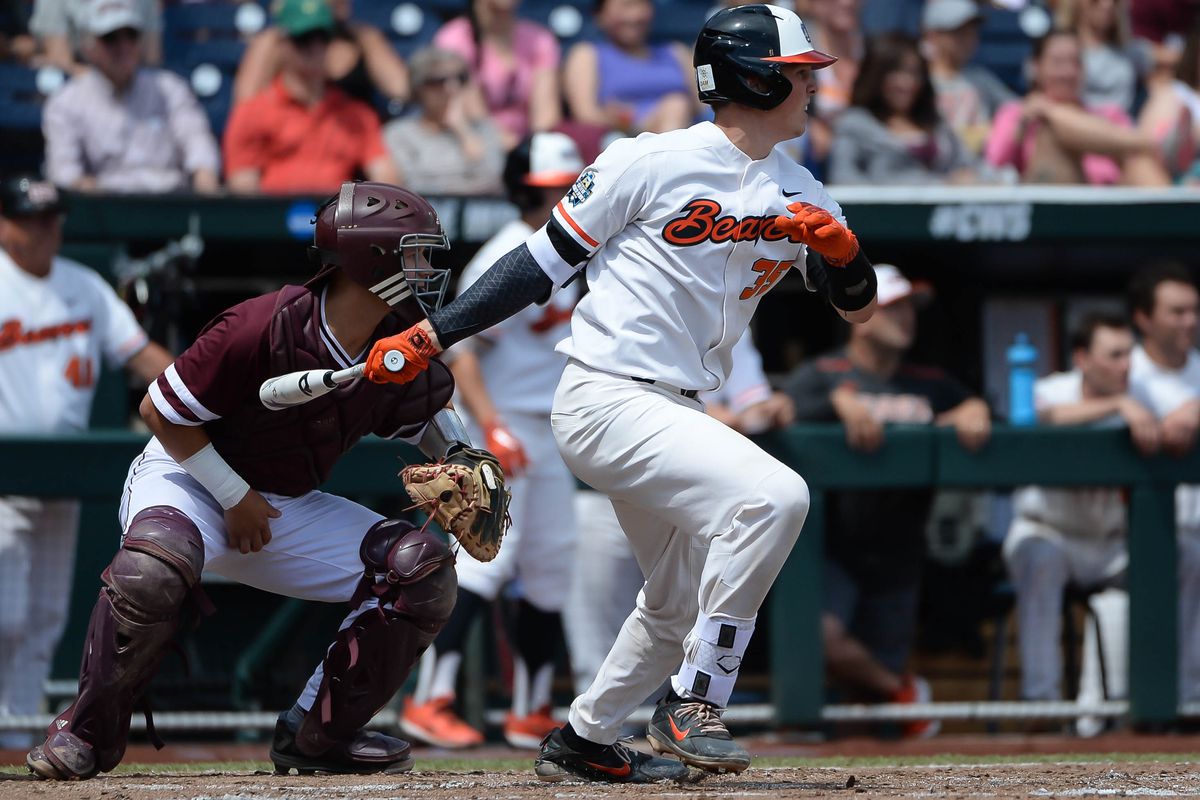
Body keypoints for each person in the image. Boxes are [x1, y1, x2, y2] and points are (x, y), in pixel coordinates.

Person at [357, 3, 880, 782]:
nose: (813, 90)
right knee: (776, 497)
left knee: (671, 602)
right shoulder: (650, 160)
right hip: (606, 396)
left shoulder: (801, 191)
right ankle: (695, 698)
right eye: (798, 76)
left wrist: (842, 256)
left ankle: (583, 741)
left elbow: (858, 306)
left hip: (678, 409)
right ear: (750, 78)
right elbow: (537, 266)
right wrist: (434, 335)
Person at [24, 181, 497, 779]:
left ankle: (317, 735)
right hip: (189, 481)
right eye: (414, 252)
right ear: (371, 258)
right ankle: (86, 733)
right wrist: (232, 495)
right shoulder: (258, 325)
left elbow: (425, 412)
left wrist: (460, 452)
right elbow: (161, 413)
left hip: (281, 503)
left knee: (420, 568)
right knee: (150, 572)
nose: (426, 268)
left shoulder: (398, 334)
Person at [400, 132, 583, 750]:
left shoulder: (578, 250)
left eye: (565, 188)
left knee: (551, 567)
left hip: (552, 431)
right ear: (520, 191)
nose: (555, 199)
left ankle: (531, 709)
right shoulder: (512, 250)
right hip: (499, 423)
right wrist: (491, 429)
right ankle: (429, 699)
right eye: (543, 190)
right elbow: (462, 350)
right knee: (485, 563)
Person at [0, 174, 172, 751]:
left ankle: (18, 728)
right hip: (5, 470)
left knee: (46, 611)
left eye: (52, 218)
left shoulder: (83, 285)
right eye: (31, 218)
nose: (45, 229)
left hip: (63, 472)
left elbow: (140, 355)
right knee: (6, 611)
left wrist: (200, 388)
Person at [783, 264, 991, 739]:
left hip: (899, 546)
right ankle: (904, 692)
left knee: (874, 699)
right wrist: (835, 402)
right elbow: (777, 415)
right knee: (821, 638)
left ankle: (891, 710)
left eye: (908, 309)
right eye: (893, 308)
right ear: (860, 313)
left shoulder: (929, 381)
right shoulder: (823, 374)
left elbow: (976, 408)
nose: (906, 319)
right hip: (830, 544)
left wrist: (973, 410)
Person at [564, 330, 795, 696]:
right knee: (598, 622)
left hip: (684, 492)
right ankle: (603, 729)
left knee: (676, 609)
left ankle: (604, 730)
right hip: (609, 480)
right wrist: (715, 417)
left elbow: (752, 405)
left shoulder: (732, 315)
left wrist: (765, 410)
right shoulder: (633, 292)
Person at [1004, 312, 1157, 730]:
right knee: (1039, 556)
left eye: (1130, 354)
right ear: (1083, 359)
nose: (1126, 365)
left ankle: (1116, 712)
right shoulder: (1053, 387)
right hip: (1050, 531)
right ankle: (1042, 706)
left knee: (1171, 558)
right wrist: (1117, 405)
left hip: (1110, 542)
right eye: (1114, 355)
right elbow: (1040, 417)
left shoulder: (1144, 393)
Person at [41, 0, 220, 194]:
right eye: (110, 38)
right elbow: (64, 174)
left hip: (170, 203)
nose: (123, 46)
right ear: (88, 47)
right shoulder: (66, 101)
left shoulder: (170, 88)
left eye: (131, 35)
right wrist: (87, 188)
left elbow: (198, 143)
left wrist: (205, 178)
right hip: (106, 209)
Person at [223, 0, 398, 195]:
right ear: (283, 44)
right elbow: (243, 189)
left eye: (322, 38)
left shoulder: (356, 115)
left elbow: (387, 182)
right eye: (303, 39)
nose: (315, 48)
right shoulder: (253, 112)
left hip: (338, 219)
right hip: (272, 220)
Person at [1127, 262, 1200, 708]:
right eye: (1176, 311)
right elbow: (1054, 401)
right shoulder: (1122, 368)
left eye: (1193, 310)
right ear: (1144, 318)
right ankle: (1185, 702)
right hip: (1134, 532)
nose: (1189, 321)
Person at [984, 28, 1170, 185]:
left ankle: (1177, 221)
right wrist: (1025, 123)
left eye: (1076, 62)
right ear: (1036, 67)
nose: (1068, 72)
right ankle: (1153, 142)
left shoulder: (1109, 114)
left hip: (1108, 212)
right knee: (1051, 133)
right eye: (1058, 63)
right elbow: (994, 165)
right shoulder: (1015, 113)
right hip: (1050, 210)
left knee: (1140, 161)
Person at [829, 32, 978, 185]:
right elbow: (843, 178)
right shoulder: (853, 126)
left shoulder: (934, 121)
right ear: (877, 75)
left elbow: (968, 165)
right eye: (897, 73)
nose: (908, 83)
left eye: (915, 73)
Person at [233, 0, 409, 112]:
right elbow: (245, 107)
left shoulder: (365, 37)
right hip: (290, 146)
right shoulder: (276, 41)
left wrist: (367, 41)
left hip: (353, 148)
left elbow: (400, 89)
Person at [433, 0, 561, 151]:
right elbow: (475, 114)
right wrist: (510, 146)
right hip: (474, 146)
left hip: (527, 148)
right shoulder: (454, 39)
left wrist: (535, 149)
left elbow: (546, 115)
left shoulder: (540, 39)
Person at [561, 0, 697, 136]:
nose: (634, 16)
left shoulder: (677, 52)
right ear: (600, 15)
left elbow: (704, 107)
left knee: (677, 104)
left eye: (640, 5)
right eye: (625, 7)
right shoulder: (587, 54)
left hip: (686, 132)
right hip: (622, 140)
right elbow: (586, 115)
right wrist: (625, 123)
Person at [383, 47, 506, 197]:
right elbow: (412, 186)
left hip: (482, 214)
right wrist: (466, 186)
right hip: (428, 215)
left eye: (460, 79)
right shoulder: (398, 133)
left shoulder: (484, 129)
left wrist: (463, 131)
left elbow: (492, 179)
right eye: (438, 81)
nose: (451, 88)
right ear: (418, 88)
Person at [920, 0, 1016, 157]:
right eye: (959, 32)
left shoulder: (981, 79)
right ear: (933, 35)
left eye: (973, 31)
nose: (969, 39)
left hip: (982, 170)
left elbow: (1016, 111)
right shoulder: (918, 81)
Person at [28, 0, 159, 75]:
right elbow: (60, 59)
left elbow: (151, 59)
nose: (121, 44)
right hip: (75, 88)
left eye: (130, 35)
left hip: (133, 88)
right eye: (109, 38)